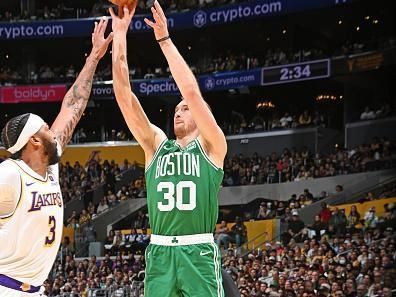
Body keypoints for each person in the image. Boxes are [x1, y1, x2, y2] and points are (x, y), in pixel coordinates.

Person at [110, 2, 227, 297]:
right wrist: (120, 33)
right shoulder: (156, 146)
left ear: (202, 118)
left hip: (197, 251)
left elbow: (190, 91)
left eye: (185, 109)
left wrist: (164, 40)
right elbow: (124, 96)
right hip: (160, 251)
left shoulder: (213, 146)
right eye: (176, 109)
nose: (179, 112)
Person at [0, 17, 113, 297]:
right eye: (46, 128)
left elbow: (73, 104)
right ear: (34, 141)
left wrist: (94, 58)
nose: (53, 130)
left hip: (35, 290)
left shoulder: (50, 165)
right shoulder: (11, 174)